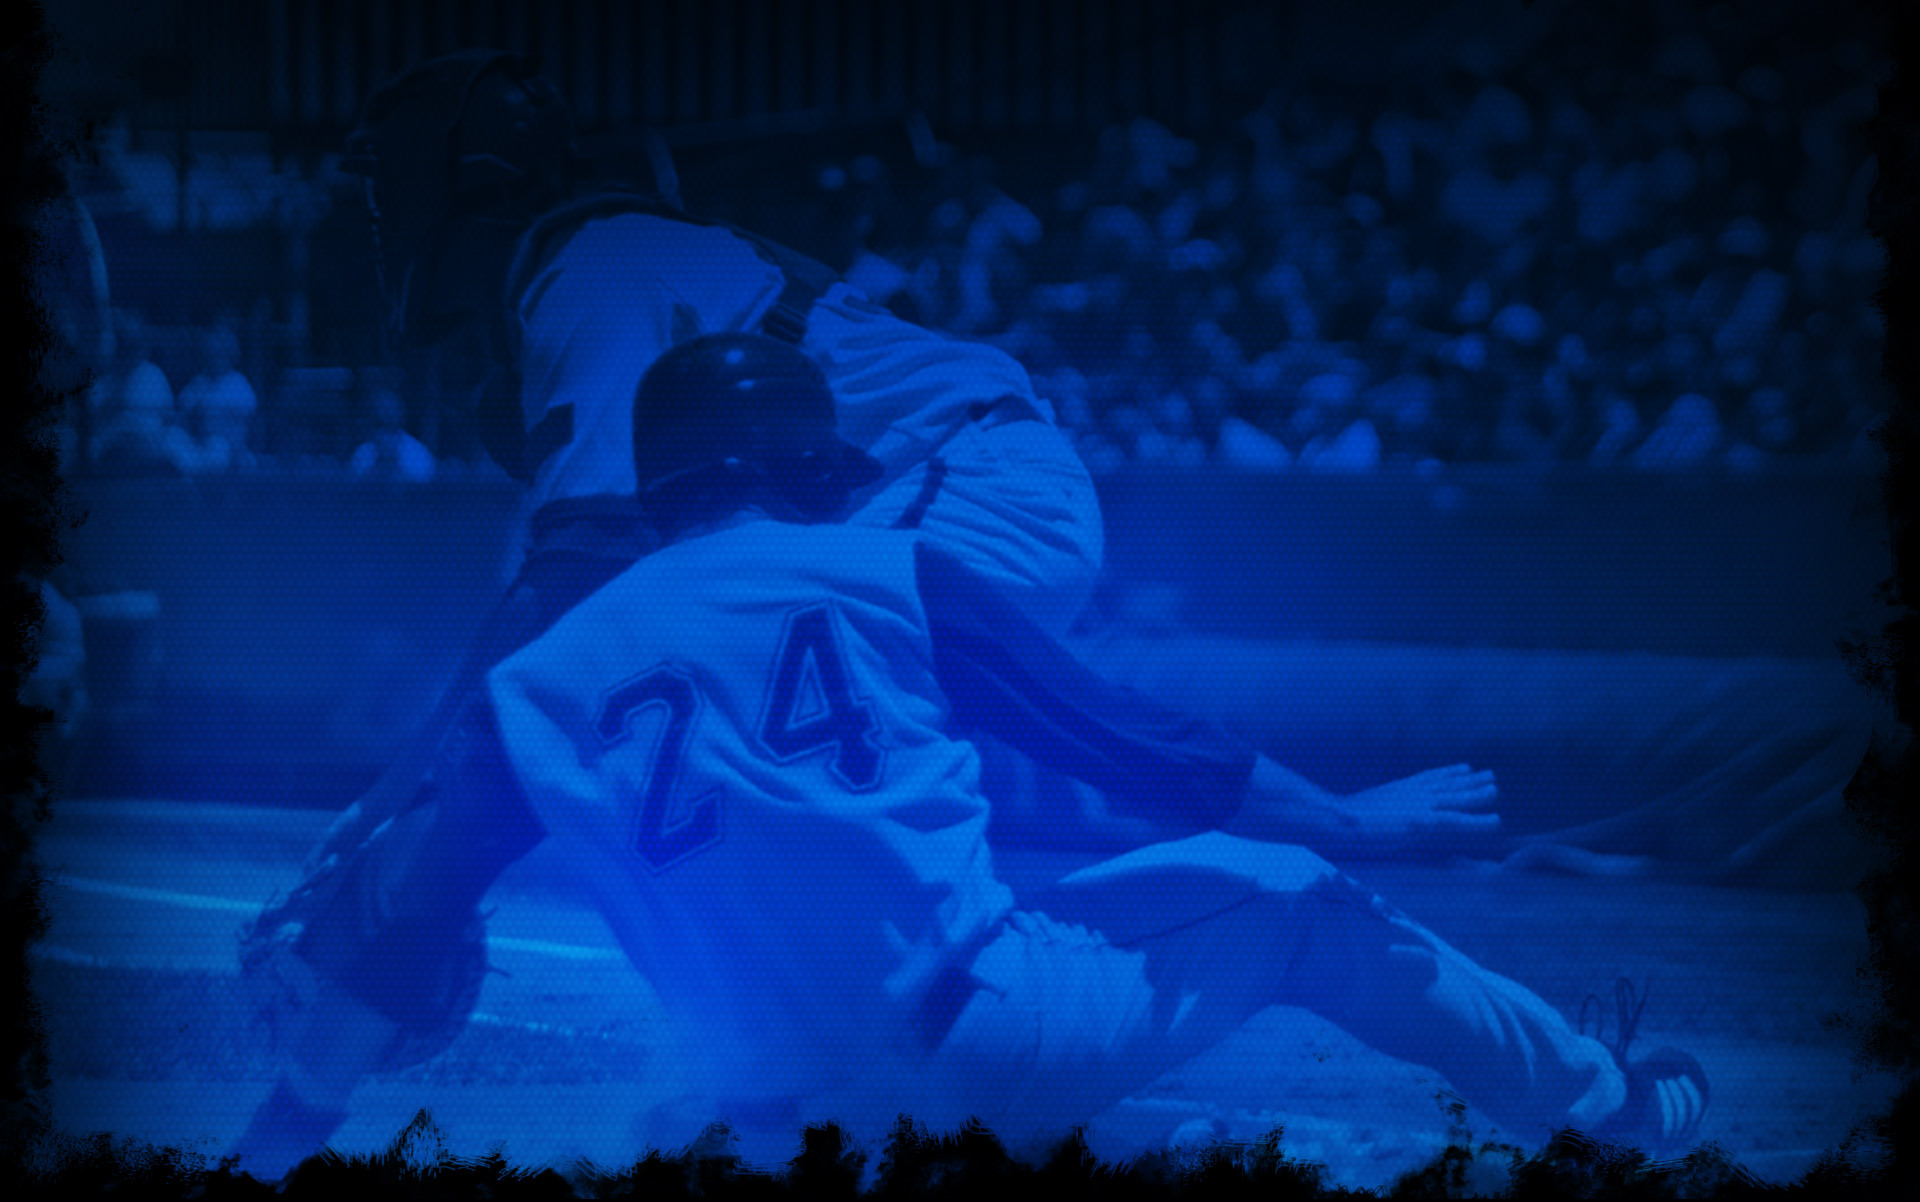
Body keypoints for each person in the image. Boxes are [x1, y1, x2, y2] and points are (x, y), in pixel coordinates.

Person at [230, 334, 1706, 1179]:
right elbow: (1142, 744)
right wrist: (1350, 812)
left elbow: (399, 934)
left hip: (772, 1118)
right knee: (1299, 891)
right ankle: (1612, 1115)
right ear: (810, 463)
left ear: (656, 486)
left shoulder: (536, 678)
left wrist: (286, 1127)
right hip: (985, 1026)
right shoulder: (886, 568)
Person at [301, 48, 1494, 881]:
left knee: (769, 706)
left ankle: (1290, 846)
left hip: (955, 480)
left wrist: (402, 799)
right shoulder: (597, 271)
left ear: (461, 186)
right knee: (742, 761)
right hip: (918, 484)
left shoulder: (587, 267)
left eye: (384, 199)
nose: (374, 232)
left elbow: (574, 567)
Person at [176, 323, 258, 471]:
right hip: (198, 447)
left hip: (228, 452)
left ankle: (198, 479)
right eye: (210, 352)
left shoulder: (239, 385)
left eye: (219, 353)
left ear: (229, 355)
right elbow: (182, 416)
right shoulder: (198, 382)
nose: (214, 357)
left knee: (217, 448)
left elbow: (248, 429)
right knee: (173, 437)